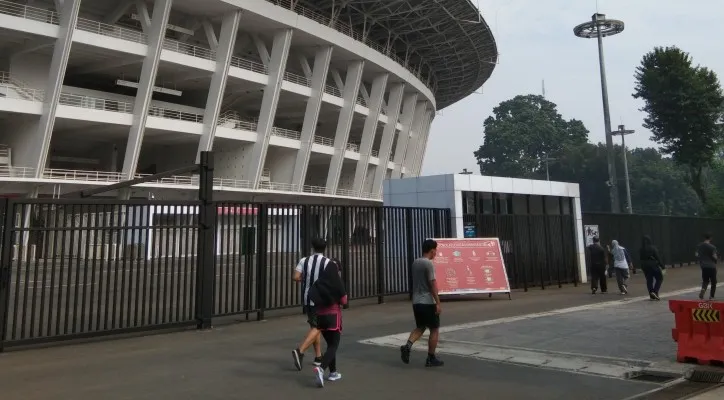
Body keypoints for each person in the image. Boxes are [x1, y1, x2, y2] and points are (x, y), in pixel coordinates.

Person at [400, 239, 444, 367]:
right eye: (435, 250)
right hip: (427, 302)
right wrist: (438, 302)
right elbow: (432, 284)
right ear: (432, 250)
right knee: (434, 329)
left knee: (421, 327)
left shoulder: (415, 262)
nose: (436, 253)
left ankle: (407, 346)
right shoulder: (428, 264)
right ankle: (431, 357)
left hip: (416, 301)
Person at [292, 238, 332, 371]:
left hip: (307, 298)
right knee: (319, 326)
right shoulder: (327, 263)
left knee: (314, 327)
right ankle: (300, 350)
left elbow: (296, 277)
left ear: (313, 247)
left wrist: (306, 279)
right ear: (325, 248)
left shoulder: (304, 260)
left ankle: (318, 357)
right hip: (321, 299)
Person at [308, 258, 348, 387]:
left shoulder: (319, 282)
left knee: (330, 345)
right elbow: (344, 301)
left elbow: (311, 295)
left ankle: (333, 373)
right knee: (334, 345)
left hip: (321, 317)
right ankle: (321, 368)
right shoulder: (337, 282)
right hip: (333, 317)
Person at [640, 235, 665, 300]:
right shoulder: (653, 248)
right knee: (659, 278)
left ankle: (651, 294)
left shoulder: (641, 249)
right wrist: (662, 266)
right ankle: (655, 292)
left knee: (649, 280)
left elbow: (641, 258)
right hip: (653, 265)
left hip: (644, 266)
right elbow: (657, 257)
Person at [696, 233, 718, 300]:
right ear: (710, 238)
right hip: (712, 266)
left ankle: (703, 290)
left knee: (705, 280)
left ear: (704, 238)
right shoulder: (712, 247)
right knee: (713, 282)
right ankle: (711, 296)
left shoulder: (699, 246)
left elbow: (697, 254)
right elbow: (715, 256)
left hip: (704, 266)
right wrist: (716, 259)